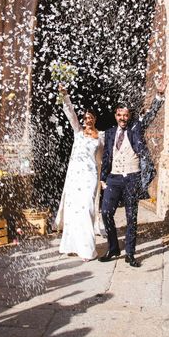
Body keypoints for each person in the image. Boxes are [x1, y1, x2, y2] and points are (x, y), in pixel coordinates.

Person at [98, 75, 167, 267]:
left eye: (126, 115)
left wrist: (159, 95)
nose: (122, 118)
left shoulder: (136, 127)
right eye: (119, 115)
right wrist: (103, 178)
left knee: (131, 217)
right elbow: (106, 157)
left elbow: (151, 114)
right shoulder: (110, 133)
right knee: (105, 212)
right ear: (115, 115)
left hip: (132, 178)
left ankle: (130, 253)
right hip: (113, 178)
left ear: (129, 116)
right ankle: (113, 247)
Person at [54, 86, 104, 261]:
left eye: (91, 118)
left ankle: (87, 250)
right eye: (85, 118)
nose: (87, 120)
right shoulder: (78, 132)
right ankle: (72, 245)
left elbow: (104, 159)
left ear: (95, 119)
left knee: (87, 210)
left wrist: (103, 177)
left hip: (90, 177)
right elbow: (70, 114)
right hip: (76, 176)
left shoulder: (101, 137)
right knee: (73, 210)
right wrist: (64, 95)